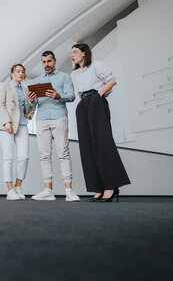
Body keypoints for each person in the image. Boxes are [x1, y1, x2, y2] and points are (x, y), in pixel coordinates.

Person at [71, 43, 130, 202]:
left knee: (102, 143)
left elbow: (112, 80)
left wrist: (98, 96)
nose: (72, 55)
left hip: (96, 101)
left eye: (75, 52)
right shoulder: (77, 73)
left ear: (84, 53)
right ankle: (98, 187)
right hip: (83, 104)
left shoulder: (96, 65)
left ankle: (111, 186)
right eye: (72, 53)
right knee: (87, 146)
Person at [29, 51, 80, 202]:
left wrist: (59, 96)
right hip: (41, 119)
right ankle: (48, 191)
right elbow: (34, 104)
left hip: (59, 118)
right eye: (44, 62)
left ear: (54, 61)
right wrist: (32, 100)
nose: (47, 65)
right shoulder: (36, 80)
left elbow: (71, 96)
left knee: (63, 153)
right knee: (44, 155)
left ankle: (69, 191)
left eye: (49, 61)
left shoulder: (64, 77)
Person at [0, 64, 35, 200]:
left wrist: (31, 108)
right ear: (12, 74)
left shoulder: (25, 89)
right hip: (6, 124)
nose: (20, 74)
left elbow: (28, 108)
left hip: (22, 124)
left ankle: (18, 186)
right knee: (8, 156)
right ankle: (10, 189)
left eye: (22, 72)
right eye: (17, 71)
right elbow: (0, 104)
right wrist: (6, 122)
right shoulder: (4, 86)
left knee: (24, 156)